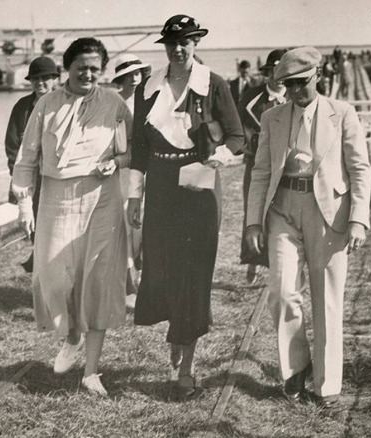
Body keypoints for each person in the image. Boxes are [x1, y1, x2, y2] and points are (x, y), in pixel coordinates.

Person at [243, 46, 371, 407]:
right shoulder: (273, 118)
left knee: (327, 297)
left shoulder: (343, 114)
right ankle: (295, 371)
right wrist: (254, 221)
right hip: (283, 208)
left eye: (302, 83)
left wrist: (359, 219)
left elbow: (360, 168)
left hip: (329, 211)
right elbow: (262, 171)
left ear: (318, 76)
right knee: (283, 292)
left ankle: (326, 384)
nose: (296, 92)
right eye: (288, 86)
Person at [126, 14, 244, 398]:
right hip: (160, 184)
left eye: (186, 41)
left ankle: (186, 367)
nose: (179, 48)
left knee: (193, 274)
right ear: (164, 46)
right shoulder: (147, 88)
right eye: (172, 42)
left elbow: (237, 136)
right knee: (161, 268)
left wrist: (220, 157)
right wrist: (133, 196)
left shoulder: (214, 85)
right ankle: (178, 337)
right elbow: (139, 149)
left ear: (196, 44)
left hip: (198, 182)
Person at [12, 37, 133, 397]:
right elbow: (27, 156)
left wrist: (117, 161)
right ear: (68, 68)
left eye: (96, 68)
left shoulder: (115, 104)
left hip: (102, 199)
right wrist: (23, 202)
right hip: (56, 197)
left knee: (97, 282)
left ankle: (92, 372)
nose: (89, 74)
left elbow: (133, 150)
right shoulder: (46, 104)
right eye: (82, 67)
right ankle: (70, 336)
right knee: (50, 277)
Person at [4, 56, 60, 272]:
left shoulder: (65, 103)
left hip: (57, 177)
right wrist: (18, 175)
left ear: (55, 78)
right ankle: (40, 270)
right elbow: (12, 144)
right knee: (35, 225)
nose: (40, 83)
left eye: (46, 78)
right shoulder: (22, 107)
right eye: (35, 79)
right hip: (32, 178)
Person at [237, 48, 288, 283]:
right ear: (266, 73)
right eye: (272, 72)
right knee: (254, 210)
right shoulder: (252, 97)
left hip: (287, 166)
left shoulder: (295, 96)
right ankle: (254, 261)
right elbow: (239, 127)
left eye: (281, 72)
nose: (276, 78)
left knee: (284, 211)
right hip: (257, 164)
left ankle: (281, 263)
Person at [111, 53, 151, 307]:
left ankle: (147, 280)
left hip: (150, 169)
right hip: (124, 172)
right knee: (124, 226)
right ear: (121, 79)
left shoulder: (151, 99)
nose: (135, 79)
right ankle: (128, 284)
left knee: (148, 225)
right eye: (129, 75)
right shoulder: (114, 105)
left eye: (138, 73)